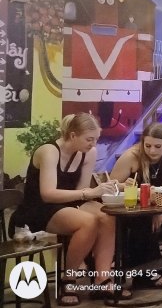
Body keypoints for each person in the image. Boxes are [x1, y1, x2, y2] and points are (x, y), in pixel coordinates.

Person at [9, 113, 121, 305]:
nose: (93, 144)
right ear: (72, 135)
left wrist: (98, 192)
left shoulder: (88, 153)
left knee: (107, 214)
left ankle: (102, 278)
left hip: (68, 204)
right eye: (89, 139)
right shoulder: (49, 151)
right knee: (88, 221)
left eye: (96, 139)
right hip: (39, 209)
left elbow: (81, 190)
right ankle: (69, 279)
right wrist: (90, 193)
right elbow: (48, 194)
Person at [111, 122, 162, 288]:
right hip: (134, 206)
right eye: (147, 145)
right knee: (142, 218)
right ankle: (147, 271)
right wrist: (124, 186)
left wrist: (158, 210)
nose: (152, 151)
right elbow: (111, 186)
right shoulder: (131, 156)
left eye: (158, 146)